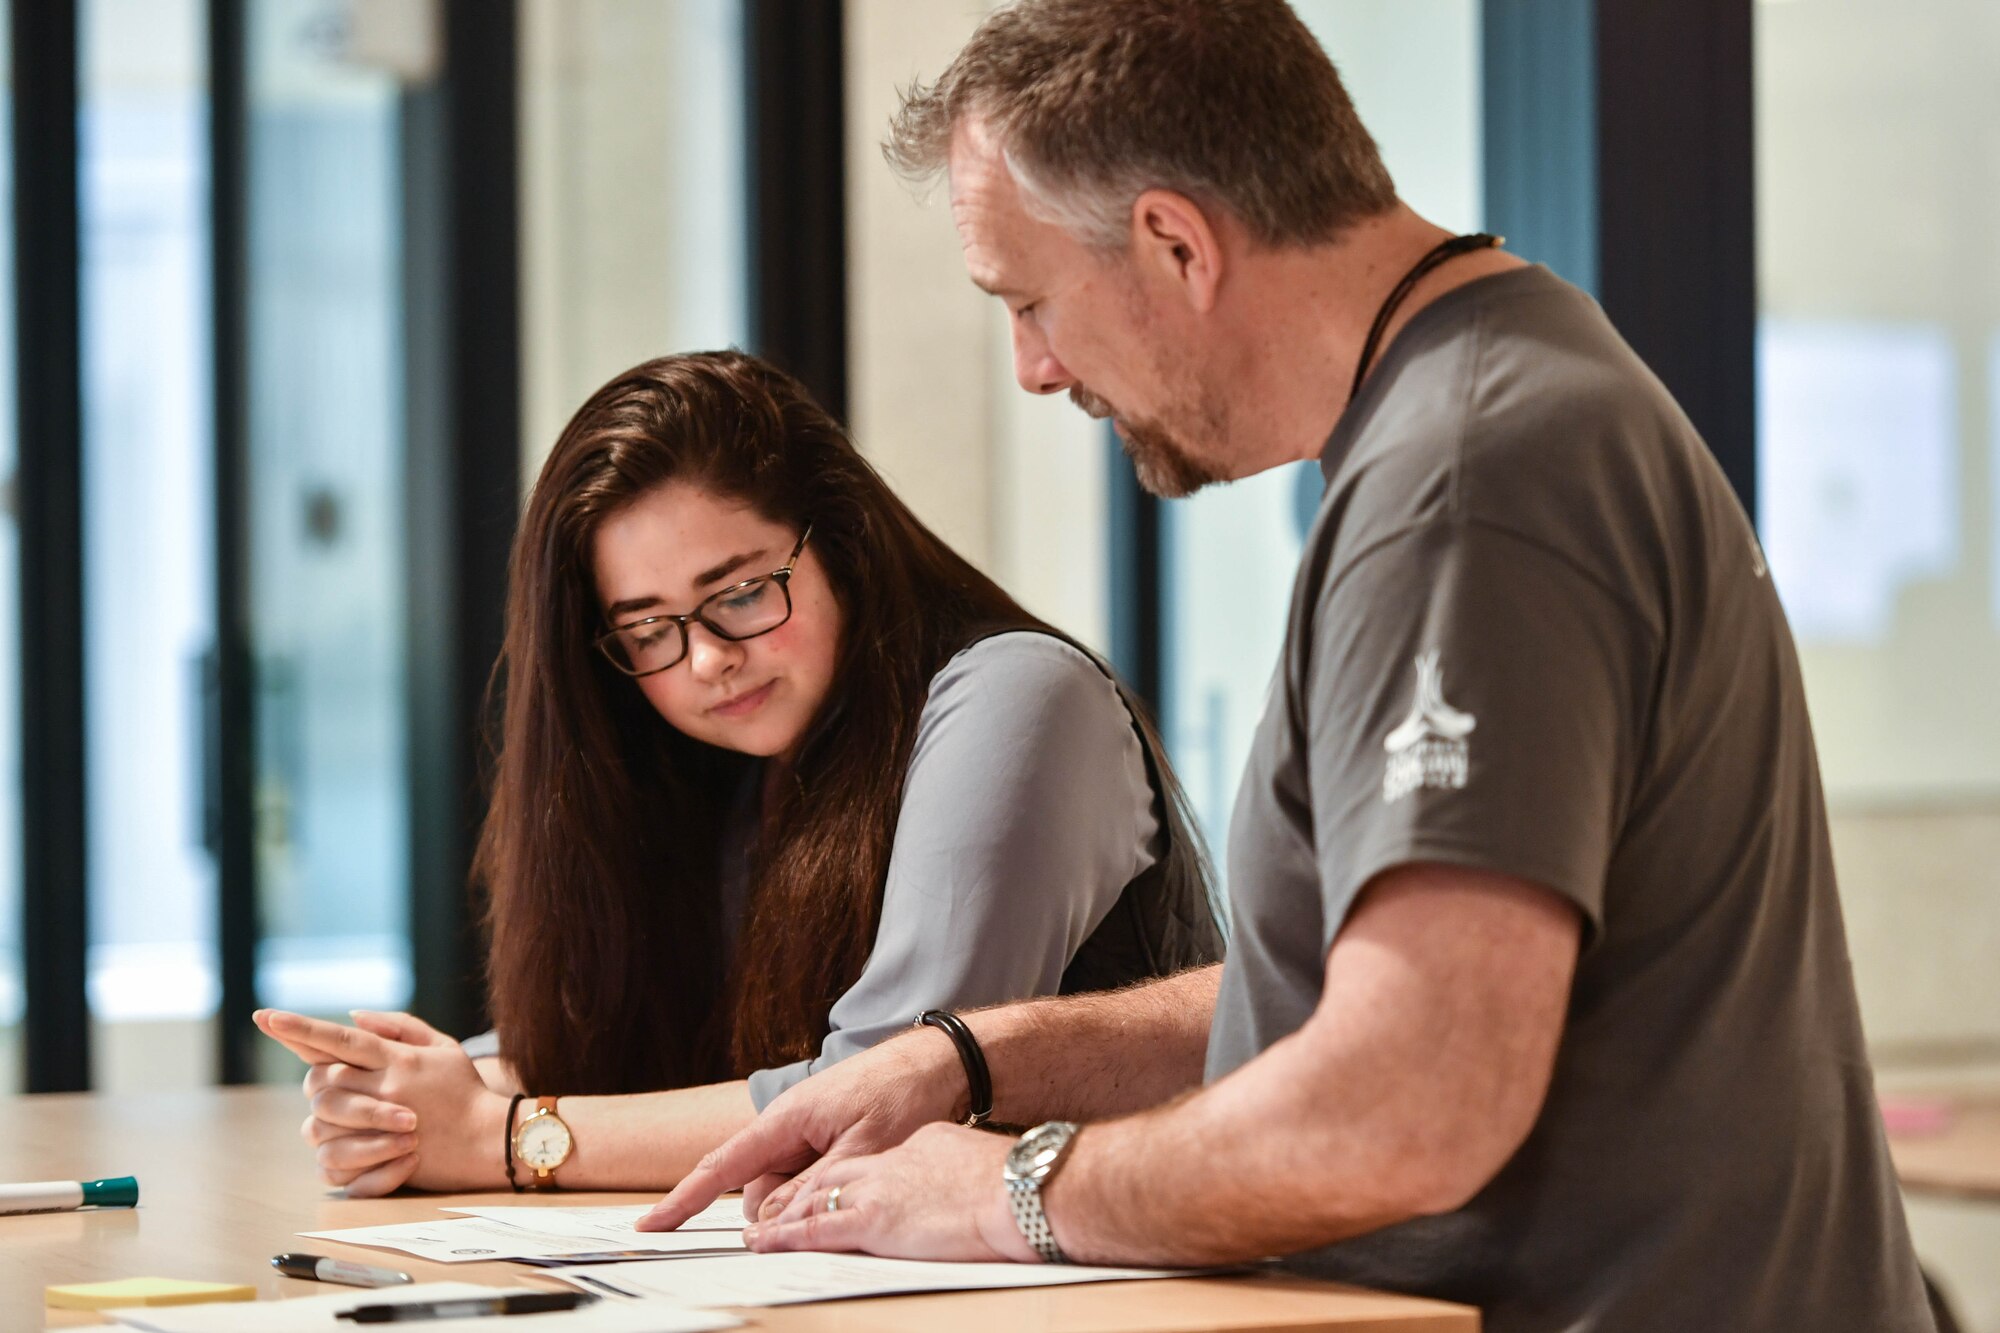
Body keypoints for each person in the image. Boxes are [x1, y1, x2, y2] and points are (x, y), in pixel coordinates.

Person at [638, 4, 1934, 1330]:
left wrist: (1014, 1188)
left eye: (1029, 302)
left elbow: (1410, 1098)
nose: (1033, 369)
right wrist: (977, 1060)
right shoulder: (1501, 401)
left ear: (1176, 243)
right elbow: (1364, 979)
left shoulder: (1467, 481)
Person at [253, 349, 1222, 1196]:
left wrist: (507, 1135)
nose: (706, 658)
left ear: (838, 539)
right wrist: (427, 1091)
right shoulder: (724, 766)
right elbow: (659, 1048)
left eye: (742, 593)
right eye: (646, 628)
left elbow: (883, 1089)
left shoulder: (1017, 698)